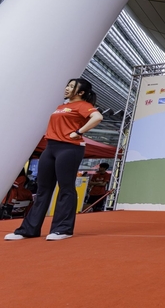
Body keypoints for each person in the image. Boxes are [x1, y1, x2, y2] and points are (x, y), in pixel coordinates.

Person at [5, 78, 103, 241]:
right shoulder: (61, 106)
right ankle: (28, 230)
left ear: (81, 92)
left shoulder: (83, 105)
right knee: (42, 190)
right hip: (50, 147)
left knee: (66, 188)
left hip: (69, 148)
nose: (67, 88)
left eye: (72, 87)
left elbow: (97, 117)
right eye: (68, 85)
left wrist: (79, 132)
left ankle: (63, 229)